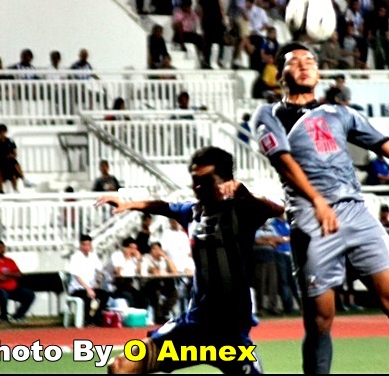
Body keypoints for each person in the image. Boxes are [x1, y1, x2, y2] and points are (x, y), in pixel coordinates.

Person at [253, 41, 389, 374]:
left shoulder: (340, 113)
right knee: (321, 318)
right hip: (311, 217)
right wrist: (317, 200)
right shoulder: (269, 115)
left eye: (310, 60)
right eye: (294, 62)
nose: (304, 65)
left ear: (319, 72)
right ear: (280, 74)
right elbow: (282, 160)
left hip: (355, 210)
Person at [97, 145, 282, 374]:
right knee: (120, 367)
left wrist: (245, 194)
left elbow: (277, 209)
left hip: (230, 337)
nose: (198, 187)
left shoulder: (242, 212)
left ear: (226, 181)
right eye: (195, 180)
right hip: (193, 329)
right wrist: (130, 203)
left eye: (206, 181)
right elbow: (164, 207)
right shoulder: (192, 213)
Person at [0, 240, 35, 323]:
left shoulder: (9, 261)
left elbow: (19, 274)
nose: (1, 249)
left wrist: (6, 274)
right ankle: (3, 317)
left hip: (12, 289)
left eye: (2, 247)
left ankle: (18, 316)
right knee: (2, 294)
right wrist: (11, 276)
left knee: (29, 294)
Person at [68, 234, 111, 327]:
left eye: (88, 245)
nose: (86, 247)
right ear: (81, 245)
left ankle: (97, 318)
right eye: (84, 245)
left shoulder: (93, 256)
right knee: (88, 297)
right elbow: (77, 276)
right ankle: (88, 320)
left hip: (91, 287)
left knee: (104, 295)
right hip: (78, 288)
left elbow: (100, 271)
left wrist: (98, 282)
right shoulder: (75, 257)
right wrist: (88, 289)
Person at [141, 242, 179, 324]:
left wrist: (166, 257)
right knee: (156, 292)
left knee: (174, 292)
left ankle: (164, 312)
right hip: (149, 283)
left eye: (159, 249)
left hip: (163, 282)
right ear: (150, 251)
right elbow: (147, 272)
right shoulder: (146, 258)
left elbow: (175, 271)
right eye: (154, 249)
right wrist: (152, 270)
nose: (157, 251)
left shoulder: (163, 259)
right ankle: (158, 316)